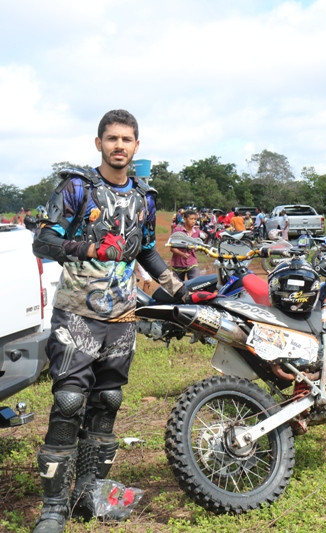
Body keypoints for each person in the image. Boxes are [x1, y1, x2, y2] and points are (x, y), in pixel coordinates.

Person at [30, 110, 197, 533]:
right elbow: (43, 240)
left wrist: (178, 288)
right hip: (77, 314)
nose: (119, 146)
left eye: (126, 139)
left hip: (123, 316)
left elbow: (145, 251)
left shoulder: (145, 196)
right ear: (98, 143)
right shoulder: (76, 188)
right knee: (68, 403)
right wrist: (90, 249)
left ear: (136, 146)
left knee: (108, 402)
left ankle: (90, 490)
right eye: (111, 138)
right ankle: (53, 509)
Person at [170, 209, 201, 281]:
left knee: (196, 284)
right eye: (191, 219)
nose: (193, 221)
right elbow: (172, 247)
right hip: (178, 263)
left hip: (192, 262)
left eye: (195, 219)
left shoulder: (197, 232)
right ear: (185, 219)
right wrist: (182, 254)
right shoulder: (177, 231)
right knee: (178, 287)